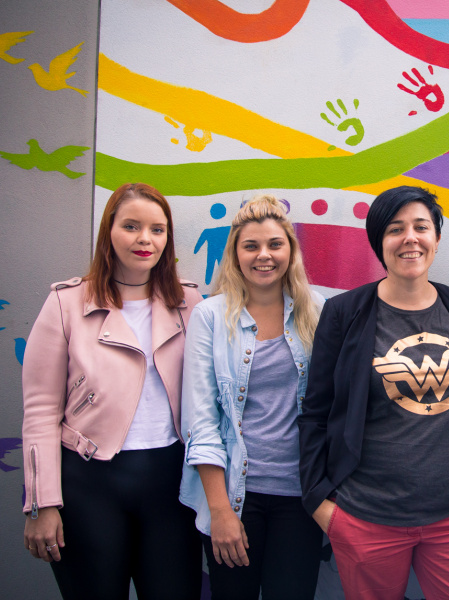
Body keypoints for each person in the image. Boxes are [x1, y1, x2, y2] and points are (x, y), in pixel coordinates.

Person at [298, 186, 449, 600]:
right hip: (365, 517)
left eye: (421, 227)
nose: (410, 238)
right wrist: (319, 501)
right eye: (395, 229)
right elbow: (316, 412)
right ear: (379, 242)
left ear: (436, 238)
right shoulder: (344, 313)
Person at [21, 182, 203, 599]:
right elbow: (40, 410)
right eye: (131, 226)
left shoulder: (190, 303)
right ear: (109, 231)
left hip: (172, 485)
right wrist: (41, 502)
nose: (145, 239)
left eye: (157, 229)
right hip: (89, 486)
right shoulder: (66, 304)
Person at [180, 195, 324, 600]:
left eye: (275, 244)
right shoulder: (210, 316)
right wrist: (220, 511)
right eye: (251, 246)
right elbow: (200, 422)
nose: (264, 255)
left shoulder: (317, 310)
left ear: (290, 251)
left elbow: (330, 408)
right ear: (235, 254)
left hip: (301, 497)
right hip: (235, 496)